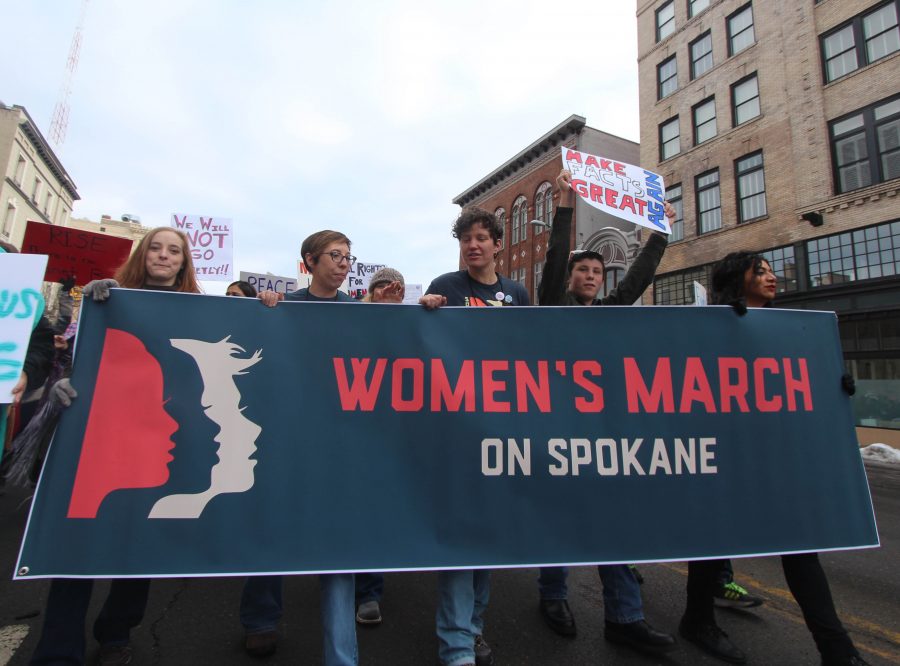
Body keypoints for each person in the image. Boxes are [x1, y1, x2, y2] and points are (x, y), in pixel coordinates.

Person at [679, 252, 870, 666]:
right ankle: (698, 620)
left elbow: (798, 384)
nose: (771, 277)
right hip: (727, 454)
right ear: (736, 278)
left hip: (777, 457)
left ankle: (837, 649)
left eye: (770, 270)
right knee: (714, 542)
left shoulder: (789, 329)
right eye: (759, 270)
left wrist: (834, 383)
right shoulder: (710, 327)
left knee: (800, 546)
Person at [30, 227, 201, 666]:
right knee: (77, 545)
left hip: (157, 440)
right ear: (143, 255)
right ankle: (56, 651)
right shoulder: (105, 302)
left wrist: (268, 306)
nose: (164, 256)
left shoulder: (199, 313)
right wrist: (63, 384)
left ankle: (117, 633)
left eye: (174, 251)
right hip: (100, 440)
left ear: (184, 262)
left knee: (136, 544)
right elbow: (72, 361)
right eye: (156, 248)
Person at [532, 168, 677, 656]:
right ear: (571, 279)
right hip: (557, 433)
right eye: (583, 272)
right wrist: (566, 207)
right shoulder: (552, 310)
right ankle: (552, 597)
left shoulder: (611, 311)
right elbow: (552, 266)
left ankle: (625, 616)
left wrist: (658, 236)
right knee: (561, 522)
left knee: (614, 523)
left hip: (603, 437)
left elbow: (635, 281)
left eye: (596, 272)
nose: (591, 277)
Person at [419, 206, 529, 666]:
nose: (473, 245)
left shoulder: (517, 293)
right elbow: (422, 348)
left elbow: (530, 356)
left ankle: (474, 628)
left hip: (500, 433)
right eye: (466, 239)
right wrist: (425, 312)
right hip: (455, 434)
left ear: (497, 245)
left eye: (482, 237)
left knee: (485, 541)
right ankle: (456, 645)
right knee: (460, 539)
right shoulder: (445, 287)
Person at [245, 230, 360, 664]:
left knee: (337, 534)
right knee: (273, 521)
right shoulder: (286, 307)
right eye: (335, 255)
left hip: (338, 438)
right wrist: (266, 314)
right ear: (309, 261)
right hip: (285, 435)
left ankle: (340, 650)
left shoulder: (359, 313)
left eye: (348, 256)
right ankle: (260, 619)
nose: (344, 263)